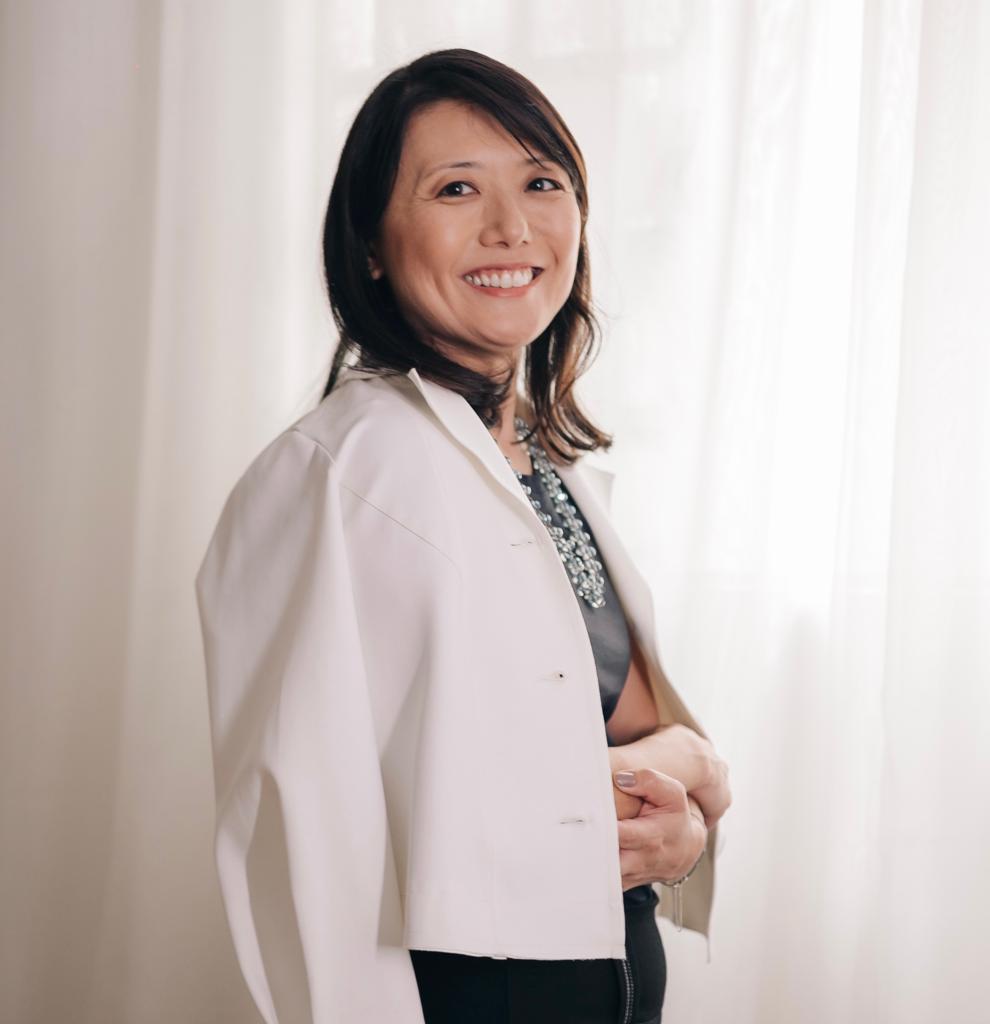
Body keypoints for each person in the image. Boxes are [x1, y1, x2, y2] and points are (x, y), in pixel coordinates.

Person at [194, 48, 731, 1024]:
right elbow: (305, 837)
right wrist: (675, 771)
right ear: (370, 242)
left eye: (542, 182)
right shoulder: (336, 474)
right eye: (455, 188)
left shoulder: (545, 471)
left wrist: (688, 808)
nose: (511, 227)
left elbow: (626, 741)